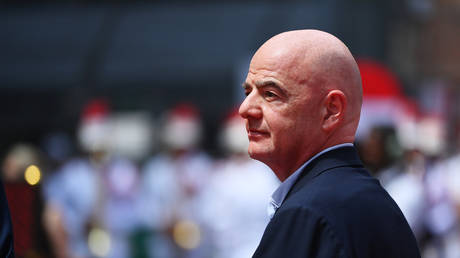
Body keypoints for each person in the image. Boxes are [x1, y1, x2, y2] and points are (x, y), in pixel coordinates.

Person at [239, 29, 421, 258]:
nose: (245, 109)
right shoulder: (372, 202)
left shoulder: (308, 214)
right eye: (248, 91)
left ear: (331, 110)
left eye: (270, 94)